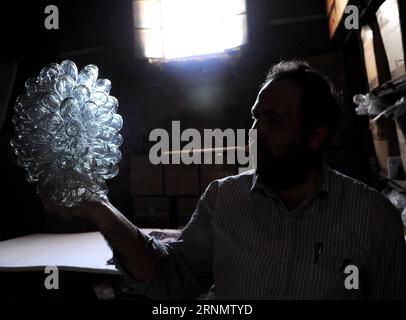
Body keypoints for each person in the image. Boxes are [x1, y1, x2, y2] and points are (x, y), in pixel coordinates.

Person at [43, 60, 406, 299]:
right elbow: (170, 277)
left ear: (316, 136)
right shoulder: (223, 199)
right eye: (255, 118)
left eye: (274, 120)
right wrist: (100, 209)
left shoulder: (374, 219)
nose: (255, 132)